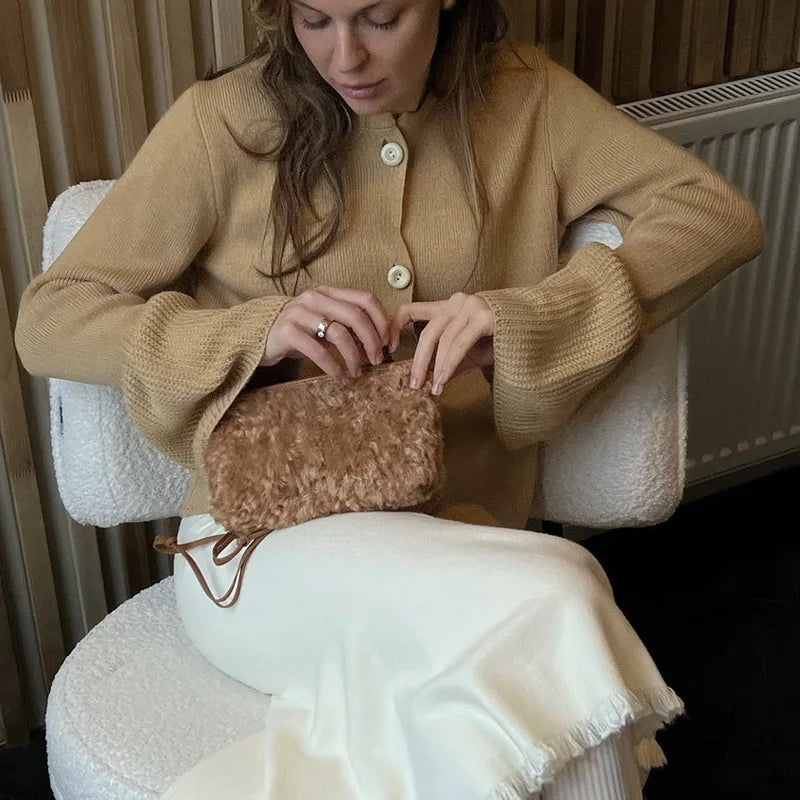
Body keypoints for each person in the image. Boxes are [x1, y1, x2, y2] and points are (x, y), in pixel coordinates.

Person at [15, 1, 763, 798]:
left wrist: (523, 320)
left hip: (464, 542)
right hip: (254, 552)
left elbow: (716, 214)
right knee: (563, 594)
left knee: (552, 620)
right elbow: (52, 317)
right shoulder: (225, 122)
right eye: (313, 20)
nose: (346, 58)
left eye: (380, 18)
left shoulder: (527, 100)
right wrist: (250, 335)